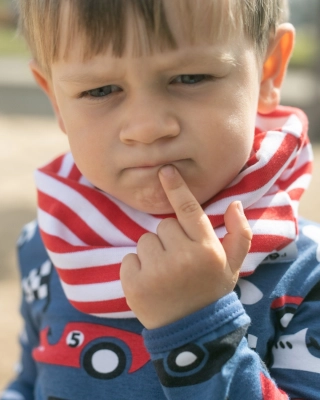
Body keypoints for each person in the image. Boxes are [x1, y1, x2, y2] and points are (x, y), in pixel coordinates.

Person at [1, 0, 320, 399]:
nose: (147, 127)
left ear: (269, 68)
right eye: (99, 90)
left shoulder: (307, 273)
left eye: (190, 77)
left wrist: (199, 325)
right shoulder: (52, 243)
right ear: (55, 98)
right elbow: (29, 383)